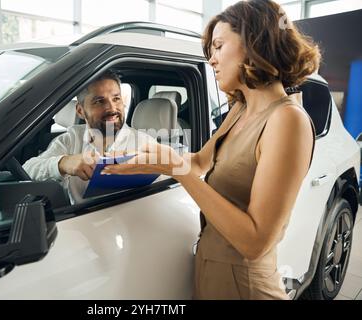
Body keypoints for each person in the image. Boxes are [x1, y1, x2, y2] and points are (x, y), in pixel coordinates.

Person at [102, 0, 320, 300]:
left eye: (218, 47)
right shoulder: (241, 109)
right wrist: (141, 159)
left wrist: (176, 170)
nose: (212, 60)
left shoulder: (287, 120)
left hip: (245, 286)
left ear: (254, 44)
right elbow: (200, 162)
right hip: (210, 272)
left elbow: (255, 242)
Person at [23, 71, 156, 204]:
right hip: (79, 219)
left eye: (116, 99)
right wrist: (63, 163)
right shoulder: (70, 140)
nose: (112, 108)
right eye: (99, 101)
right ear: (80, 111)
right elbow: (28, 170)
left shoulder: (145, 144)